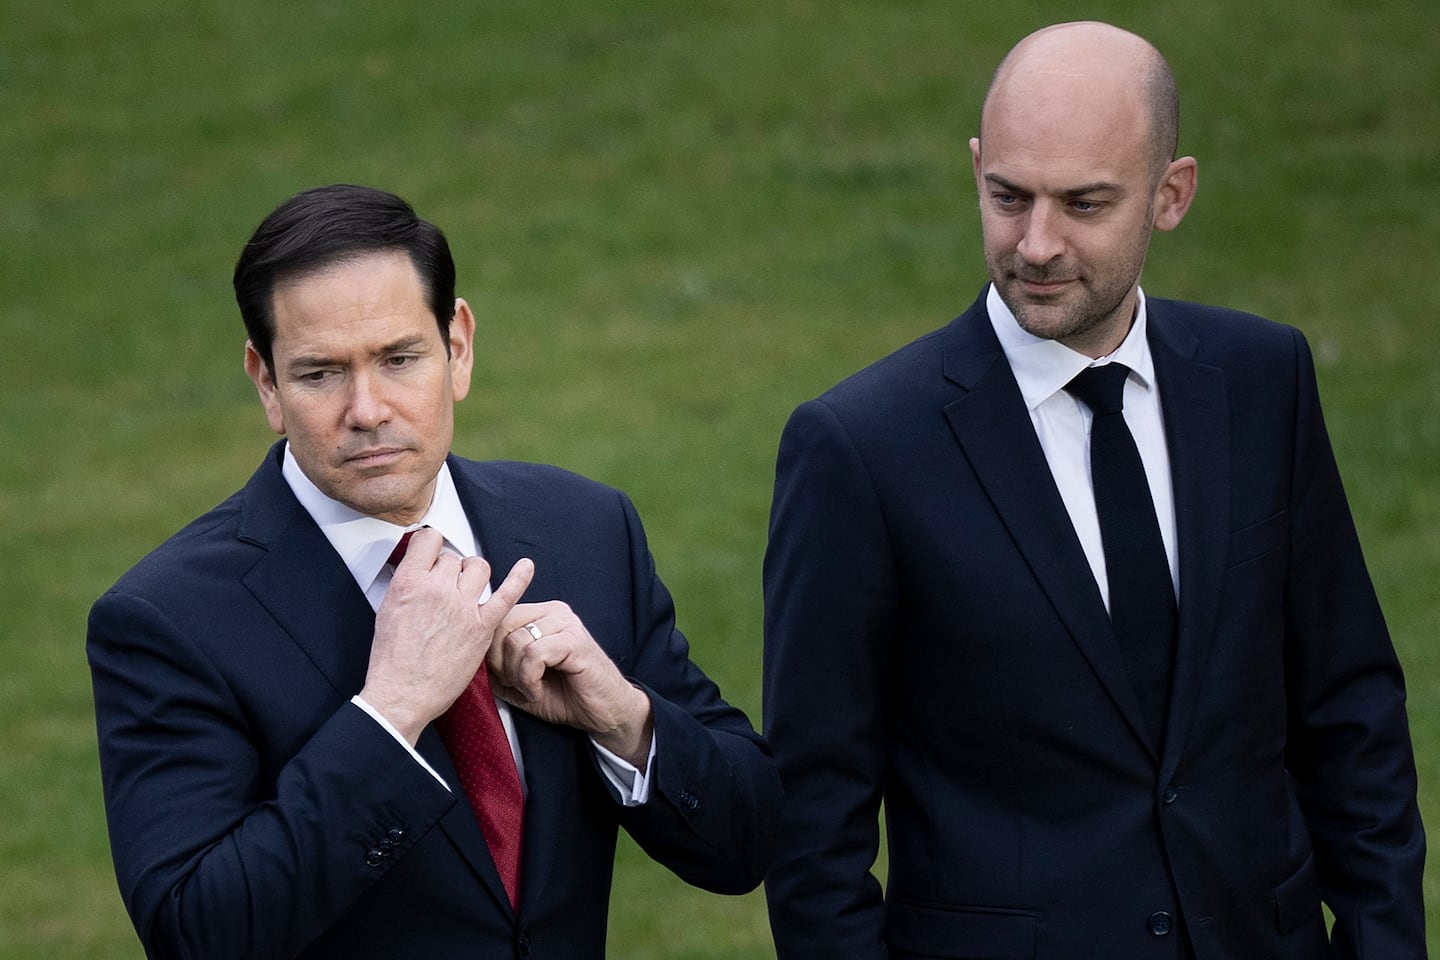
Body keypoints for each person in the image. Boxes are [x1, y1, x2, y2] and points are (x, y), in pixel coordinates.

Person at [762, 21, 1424, 960]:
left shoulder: (1262, 379)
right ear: (977, 167)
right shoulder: (860, 450)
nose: (1036, 244)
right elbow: (811, 824)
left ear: (1171, 195)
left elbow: (1348, 712)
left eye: (1083, 203)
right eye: (1007, 196)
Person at [88, 183, 780, 960]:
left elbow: (747, 843)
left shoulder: (585, 530)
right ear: (266, 383)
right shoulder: (166, 619)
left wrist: (625, 719)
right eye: (320, 374)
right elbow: (195, 932)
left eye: (398, 358)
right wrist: (392, 713)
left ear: (458, 348)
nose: (368, 408)